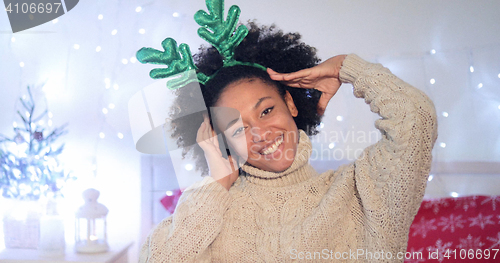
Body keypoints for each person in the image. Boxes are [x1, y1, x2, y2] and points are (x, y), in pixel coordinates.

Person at [139, 22, 438, 262]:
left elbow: (417, 119)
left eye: (266, 111)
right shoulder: (211, 212)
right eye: (238, 129)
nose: (261, 134)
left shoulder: (361, 193)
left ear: (291, 105)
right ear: (221, 142)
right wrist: (216, 184)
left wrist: (346, 67)